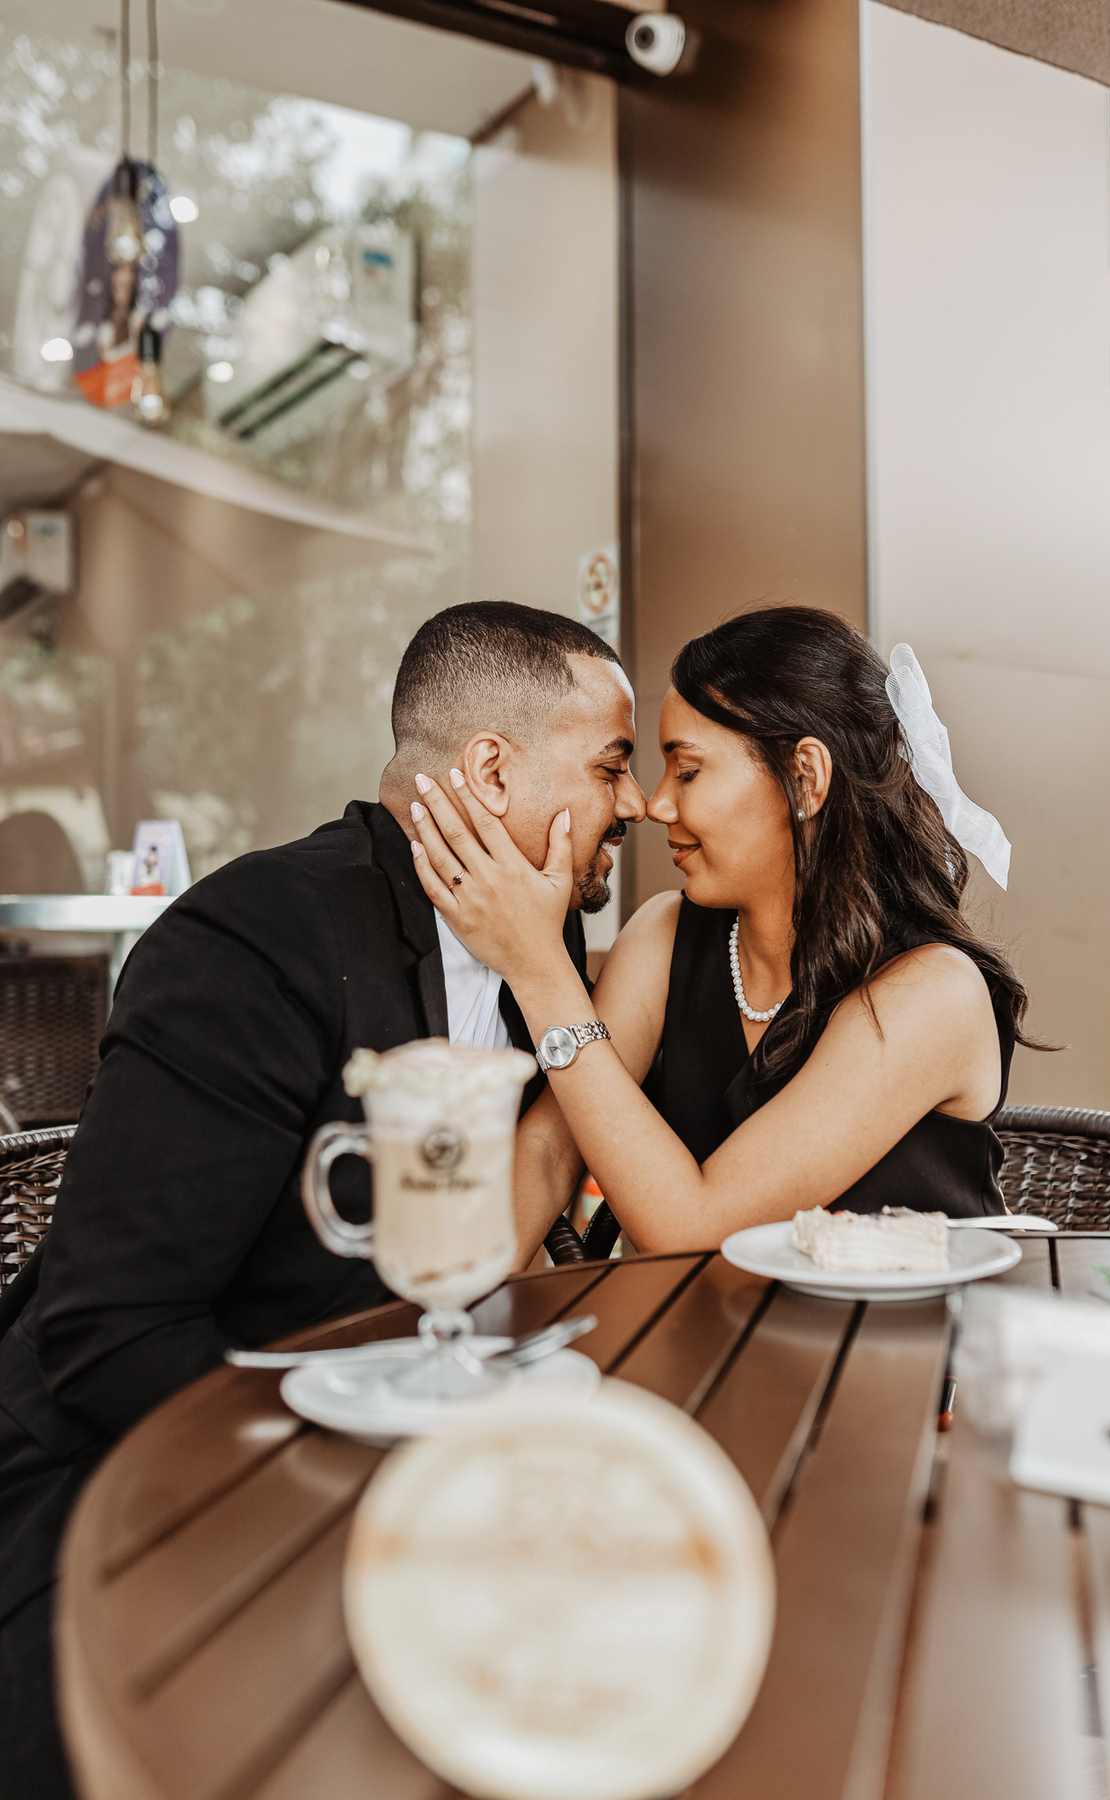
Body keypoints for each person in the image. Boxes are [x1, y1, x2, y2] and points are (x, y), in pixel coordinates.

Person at [0, 600, 644, 1798]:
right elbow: (109, 1334)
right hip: (125, 1488)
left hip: (389, 1445)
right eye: (613, 765)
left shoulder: (527, 957)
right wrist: (369, 1464)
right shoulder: (253, 940)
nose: (639, 802)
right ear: (492, 772)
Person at [406, 606, 1040, 1262]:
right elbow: (547, 1152)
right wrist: (444, 1301)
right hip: (701, 1327)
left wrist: (538, 967)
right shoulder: (663, 935)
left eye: (687, 771)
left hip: (910, 1326)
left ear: (805, 779)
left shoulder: (935, 993)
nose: (655, 805)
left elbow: (696, 1226)